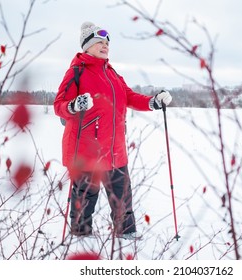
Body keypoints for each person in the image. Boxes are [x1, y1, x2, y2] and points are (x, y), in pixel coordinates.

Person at [54, 22, 172, 240]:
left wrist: (154, 102)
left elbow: (130, 97)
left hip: (115, 147)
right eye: (99, 42)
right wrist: (74, 106)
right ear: (86, 46)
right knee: (86, 195)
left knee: (122, 194)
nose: (105, 45)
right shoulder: (76, 72)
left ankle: (127, 235)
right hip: (86, 148)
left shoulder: (112, 74)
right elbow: (59, 105)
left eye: (107, 42)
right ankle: (80, 237)